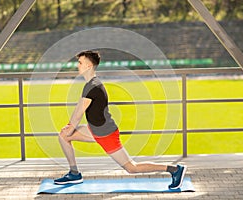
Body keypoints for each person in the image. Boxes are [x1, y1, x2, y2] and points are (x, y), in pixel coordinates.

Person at [54, 50, 187, 189]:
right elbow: (78, 109)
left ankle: (174, 170)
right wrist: (69, 127)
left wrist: (71, 126)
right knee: (64, 136)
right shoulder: (91, 84)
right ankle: (74, 173)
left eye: (80, 63)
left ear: (88, 66)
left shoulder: (92, 86)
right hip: (94, 130)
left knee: (131, 168)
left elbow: (78, 113)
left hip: (105, 134)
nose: (78, 65)